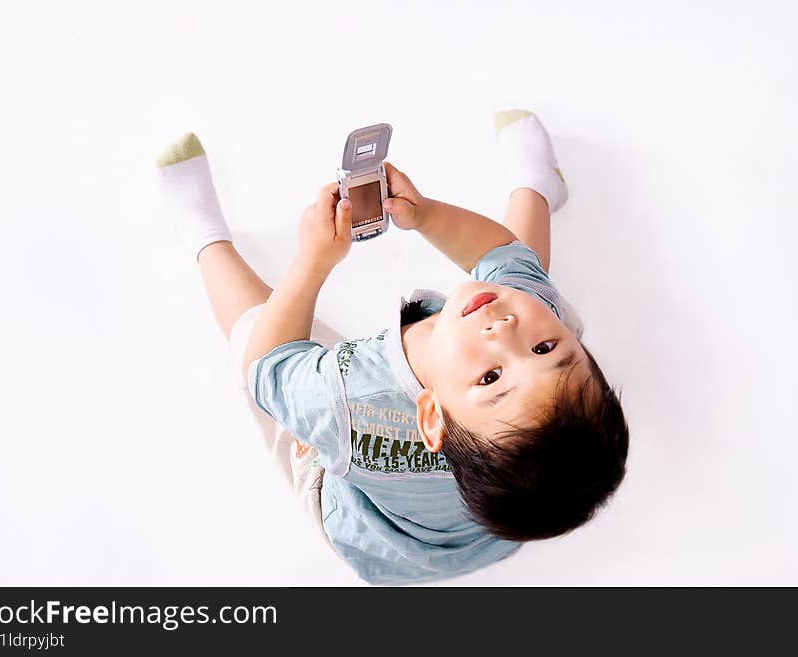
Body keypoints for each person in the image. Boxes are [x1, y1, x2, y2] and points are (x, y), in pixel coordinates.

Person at [154, 110, 629, 585]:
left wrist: (312, 262)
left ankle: (204, 239)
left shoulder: (351, 403)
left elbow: (269, 365)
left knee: (256, 337)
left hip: (378, 542)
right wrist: (426, 215)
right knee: (522, 276)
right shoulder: (522, 331)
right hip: (489, 529)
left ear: (430, 415)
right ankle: (537, 184)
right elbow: (500, 256)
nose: (504, 330)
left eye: (491, 378)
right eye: (546, 349)